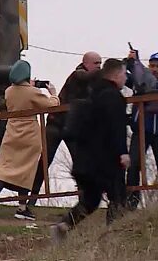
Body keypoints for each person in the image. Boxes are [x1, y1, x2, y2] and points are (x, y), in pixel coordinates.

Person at [49, 58, 130, 243]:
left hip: (84, 161)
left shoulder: (91, 95)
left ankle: (64, 226)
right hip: (107, 160)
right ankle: (113, 237)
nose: (125, 78)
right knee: (118, 197)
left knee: (91, 200)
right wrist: (123, 152)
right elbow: (116, 127)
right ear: (116, 75)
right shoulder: (114, 97)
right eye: (124, 74)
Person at [0, 60, 60, 221]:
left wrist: (29, 86)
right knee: (26, 169)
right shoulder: (33, 92)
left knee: (5, 165)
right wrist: (53, 93)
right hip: (29, 133)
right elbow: (50, 105)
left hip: (11, 131)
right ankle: (22, 207)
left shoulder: (8, 91)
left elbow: (18, 95)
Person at [36, 51, 101, 203]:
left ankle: (83, 200)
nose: (99, 67)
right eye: (96, 63)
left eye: (100, 64)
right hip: (56, 123)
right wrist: (109, 72)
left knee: (80, 162)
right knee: (45, 162)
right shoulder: (77, 74)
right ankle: (29, 199)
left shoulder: (94, 82)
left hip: (71, 126)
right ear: (86, 63)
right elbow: (84, 77)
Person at [126, 51, 158, 209]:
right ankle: (131, 204)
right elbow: (126, 76)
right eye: (151, 65)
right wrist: (131, 62)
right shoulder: (139, 81)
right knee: (133, 165)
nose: (154, 69)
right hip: (141, 130)